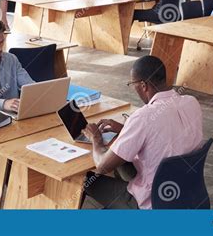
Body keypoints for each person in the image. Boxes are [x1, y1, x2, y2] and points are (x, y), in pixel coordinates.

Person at [82, 55, 204, 209]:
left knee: (84, 180)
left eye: (132, 84)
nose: (134, 89)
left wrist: (96, 139)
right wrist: (126, 130)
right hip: (186, 191)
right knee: (123, 162)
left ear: (143, 85)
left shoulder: (143, 117)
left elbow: (101, 166)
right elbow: (166, 134)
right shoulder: (191, 102)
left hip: (152, 201)